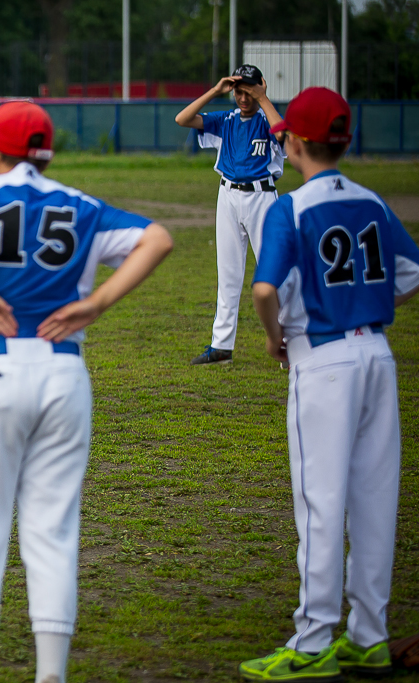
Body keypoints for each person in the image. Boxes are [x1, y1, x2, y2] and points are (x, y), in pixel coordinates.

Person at [0, 102, 173, 683]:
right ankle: (50, 674)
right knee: (53, 536)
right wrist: (98, 302)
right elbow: (157, 239)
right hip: (62, 372)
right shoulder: (82, 205)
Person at [243, 87, 419, 682]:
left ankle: (314, 641)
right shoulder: (372, 200)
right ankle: (369, 637)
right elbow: (410, 272)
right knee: (376, 500)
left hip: (324, 360)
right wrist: (365, 302)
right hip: (377, 354)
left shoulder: (289, 208)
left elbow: (264, 289)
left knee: (321, 503)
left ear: (293, 142)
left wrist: (274, 337)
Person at [175, 64, 285, 365]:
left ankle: (290, 342)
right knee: (228, 273)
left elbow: (284, 135)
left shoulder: (267, 120)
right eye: (239, 91)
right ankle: (222, 346)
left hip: (262, 197)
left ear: (260, 87)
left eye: (249, 91)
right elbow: (182, 119)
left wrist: (262, 97)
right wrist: (215, 90)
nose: (244, 97)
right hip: (227, 195)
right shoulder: (226, 120)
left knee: (275, 270)